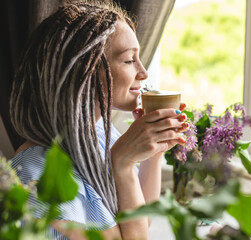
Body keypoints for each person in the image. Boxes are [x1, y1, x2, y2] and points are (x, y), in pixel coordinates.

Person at [9, 1, 189, 239]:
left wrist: (154, 152)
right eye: (128, 60)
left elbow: (140, 221)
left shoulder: (101, 135)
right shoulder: (39, 175)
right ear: (85, 71)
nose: (143, 73)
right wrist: (123, 163)